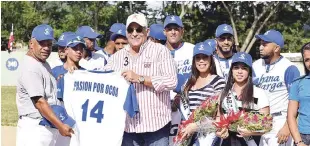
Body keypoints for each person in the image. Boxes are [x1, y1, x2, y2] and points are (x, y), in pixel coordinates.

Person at [104, 13, 177, 146]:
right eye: (131, 30)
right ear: (126, 32)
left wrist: (140, 78)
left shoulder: (161, 51)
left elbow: (171, 81)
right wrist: (76, 71)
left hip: (156, 126)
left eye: (139, 29)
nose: (135, 33)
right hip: (128, 127)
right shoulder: (116, 57)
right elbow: (103, 80)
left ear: (147, 31)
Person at [15, 24, 73, 146]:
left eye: (49, 44)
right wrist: (60, 126)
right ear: (31, 43)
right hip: (34, 127)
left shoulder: (42, 63)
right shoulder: (31, 67)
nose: (46, 48)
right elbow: (40, 103)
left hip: (45, 125)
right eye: (42, 43)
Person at [252, 29, 300, 146]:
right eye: (260, 44)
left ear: (277, 48)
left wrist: (287, 126)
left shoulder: (289, 68)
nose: (261, 47)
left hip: (280, 121)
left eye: (265, 44)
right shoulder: (255, 66)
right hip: (259, 122)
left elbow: (296, 101)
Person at [216, 52, 270, 146]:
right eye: (236, 67)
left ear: (249, 71)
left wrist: (251, 132)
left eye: (244, 68)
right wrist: (220, 130)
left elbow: (267, 124)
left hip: (252, 142)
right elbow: (218, 118)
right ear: (231, 70)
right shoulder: (224, 94)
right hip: (228, 141)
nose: (239, 71)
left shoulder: (259, 93)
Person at [179, 42, 226, 145]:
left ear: (211, 59)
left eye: (205, 57)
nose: (201, 61)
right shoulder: (188, 83)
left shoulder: (219, 82)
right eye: (198, 58)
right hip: (190, 135)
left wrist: (197, 125)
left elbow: (220, 116)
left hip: (210, 137)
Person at [163, 15, 195, 146]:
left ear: (182, 31)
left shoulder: (192, 49)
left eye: (176, 28)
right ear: (164, 32)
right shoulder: (158, 51)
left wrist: (181, 94)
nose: (173, 32)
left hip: (188, 105)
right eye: (169, 29)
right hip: (164, 106)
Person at [52, 34, 87, 146]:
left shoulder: (86, 73)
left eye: (81, 48)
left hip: (79, 120)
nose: (78, 52)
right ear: (66, 50)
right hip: (59, 120)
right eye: (75, 48)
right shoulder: (54, 72)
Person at [288, 42, 310, 146]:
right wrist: (299, 142)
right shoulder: (298, 83)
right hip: (304, 137)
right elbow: (291, 115)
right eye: (307, 60)